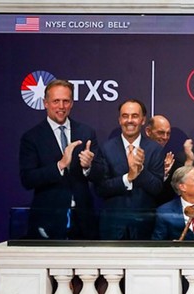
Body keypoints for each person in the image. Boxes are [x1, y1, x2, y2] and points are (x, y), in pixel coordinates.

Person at [19, 79, 100, 239]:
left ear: (72, 103)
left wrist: (88, 167)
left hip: (84, 220)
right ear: (45, 103)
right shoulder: (32, 137)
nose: (61, 106)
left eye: (66, 101)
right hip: (48, 220)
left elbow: (99, 174)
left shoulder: (86, 132)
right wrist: (60, 165)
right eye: (56, 101)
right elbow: (27, 179)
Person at [94, 98, 164, 240]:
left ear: (143, 120)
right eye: (125, 116)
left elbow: (157, 188)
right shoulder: (106, 148)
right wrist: (128, 178)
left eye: (135, 116)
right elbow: (101, 188)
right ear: (119, 120)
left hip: (144, 226)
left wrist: (140, 171)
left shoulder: (154, 149)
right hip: (112, 227)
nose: (129, 120)